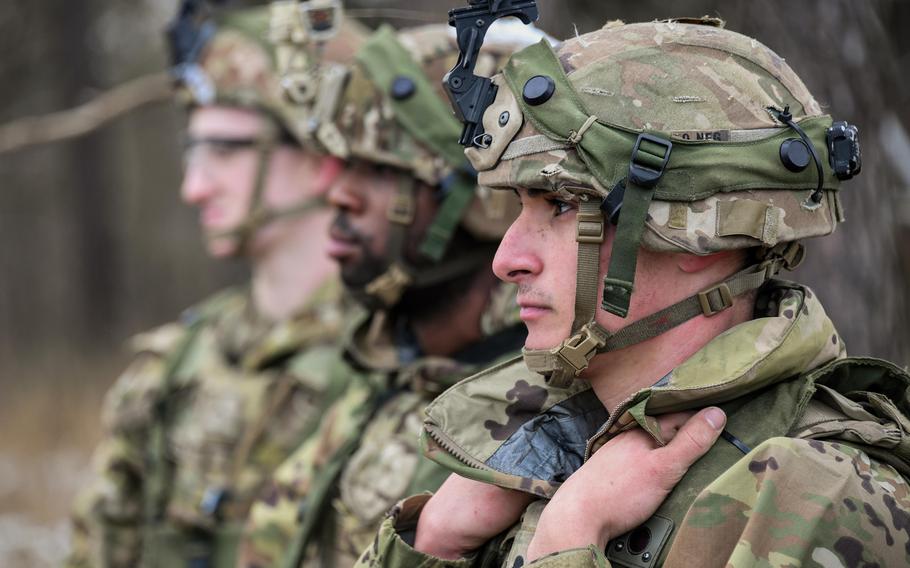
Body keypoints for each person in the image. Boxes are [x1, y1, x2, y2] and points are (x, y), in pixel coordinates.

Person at [356, 17, 910, 568]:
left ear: (701, 239)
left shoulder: (814, 497)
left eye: (564, 205)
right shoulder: (533, 449)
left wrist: (569, 541)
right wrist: (430, 543)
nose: (507, 259)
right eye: (520, 206)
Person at [236, 20, 555, 568]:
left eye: (378, 168)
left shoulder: (548, 424)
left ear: (482, 197)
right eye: (340, 163)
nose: (336, 193)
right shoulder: (369, 370)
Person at [66, 3, 366, 566]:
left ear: (323, 154)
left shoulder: (398, 369)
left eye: (226, 151)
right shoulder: (172, 373)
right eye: (193, 151)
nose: (194, 187)